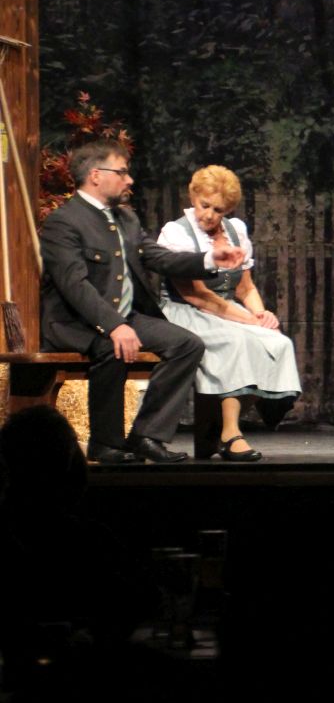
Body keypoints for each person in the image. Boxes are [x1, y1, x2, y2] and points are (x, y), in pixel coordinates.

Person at [39, 140, 245, 464]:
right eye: (122, 172)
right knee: (112, 347)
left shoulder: (126, 219)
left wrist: (209, 259)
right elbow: (74, 286)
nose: (129, 179)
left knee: (187, 344)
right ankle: (105, 444)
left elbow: (158, 258)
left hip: (123, 318)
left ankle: (147, 435)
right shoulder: (64, 222)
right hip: (75, 322)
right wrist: (114, 326)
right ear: (96, 175)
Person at [155, 165, 301, 462]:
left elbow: (245, 288)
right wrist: (249, 320)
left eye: (218, 209)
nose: (209, 215)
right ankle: (231, 434)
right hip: (185, 311)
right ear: (193, 197)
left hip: (227, 311)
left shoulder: (236, 231)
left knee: (278, 343)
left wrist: (262, 315)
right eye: (204, 205)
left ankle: (217, 427)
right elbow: (197, 296)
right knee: (236, 342)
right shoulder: (177, 233)